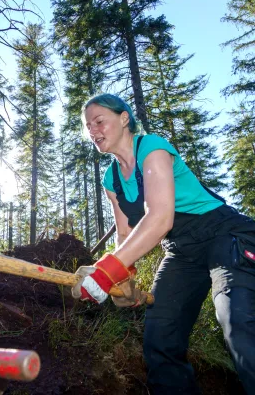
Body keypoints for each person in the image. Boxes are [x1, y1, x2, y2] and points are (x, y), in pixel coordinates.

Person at [71, 93, 255, 395]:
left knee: (238, 320)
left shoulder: (152, 149)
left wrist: (106, 272)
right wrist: (123, 277)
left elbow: (159, 218)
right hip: (181, 251)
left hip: (225, 235)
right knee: (160, 338)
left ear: (124, 119)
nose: (92, 130)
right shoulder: (111, 179)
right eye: (87, 126)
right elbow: (126, 234)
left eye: (99, 121)